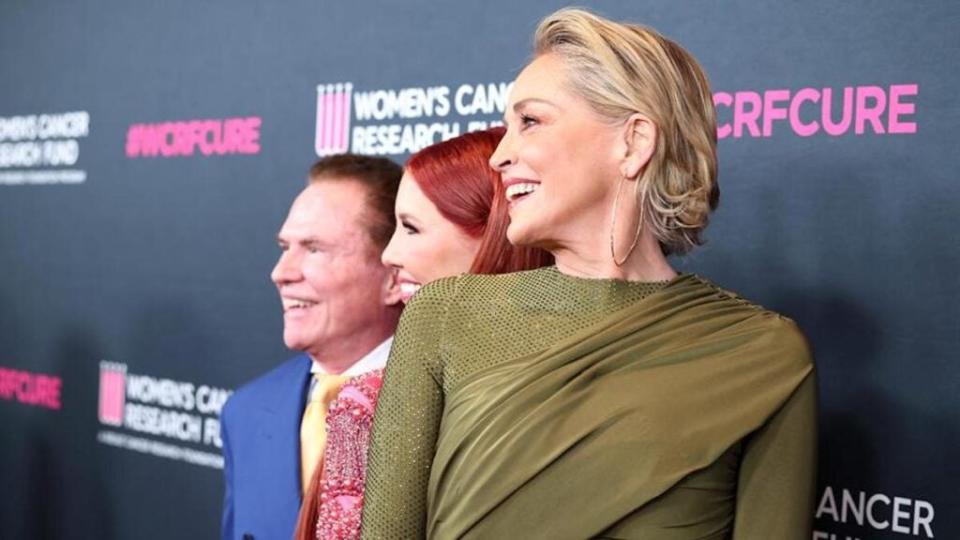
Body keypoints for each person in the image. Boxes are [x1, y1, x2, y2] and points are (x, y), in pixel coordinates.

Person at [361, 8, 817, 540]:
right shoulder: (445, 314)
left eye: (530, 121)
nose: (502, 155)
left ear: (634, 142)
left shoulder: (762, 353)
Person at [296, 128, 552, 540]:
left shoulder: (579, 396)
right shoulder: (367, 409)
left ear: (495, 237)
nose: (390, 255)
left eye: (411, 229)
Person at [220, 154, 404, 540]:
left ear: (393, 276)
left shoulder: (450, 414)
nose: (281, 273)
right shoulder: (247, 411)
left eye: (315, 249)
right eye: (284, 247)